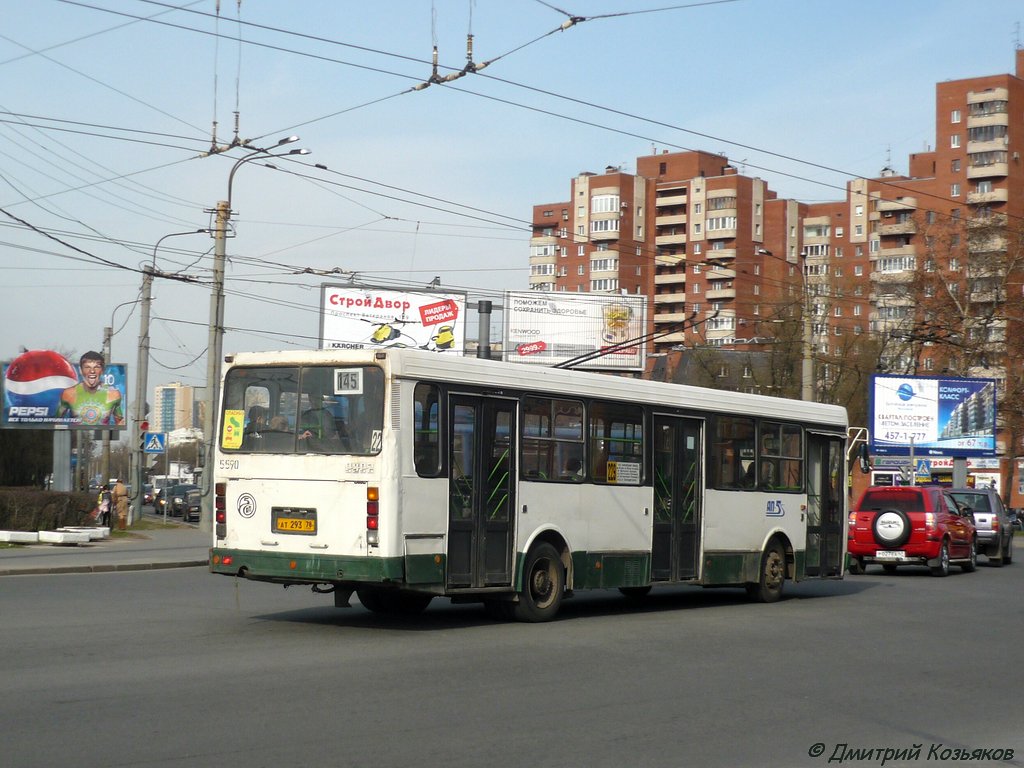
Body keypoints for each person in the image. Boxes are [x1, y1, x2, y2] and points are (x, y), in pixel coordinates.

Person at [55, 351, 125, 426]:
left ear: (102, 370)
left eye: (96, 367)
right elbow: (55, 422)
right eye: (87, 367)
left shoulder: (114, 394)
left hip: (102, 436)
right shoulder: (68, 393)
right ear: (80, 370)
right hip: (76, 436)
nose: (92, 371)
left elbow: (120, 423)